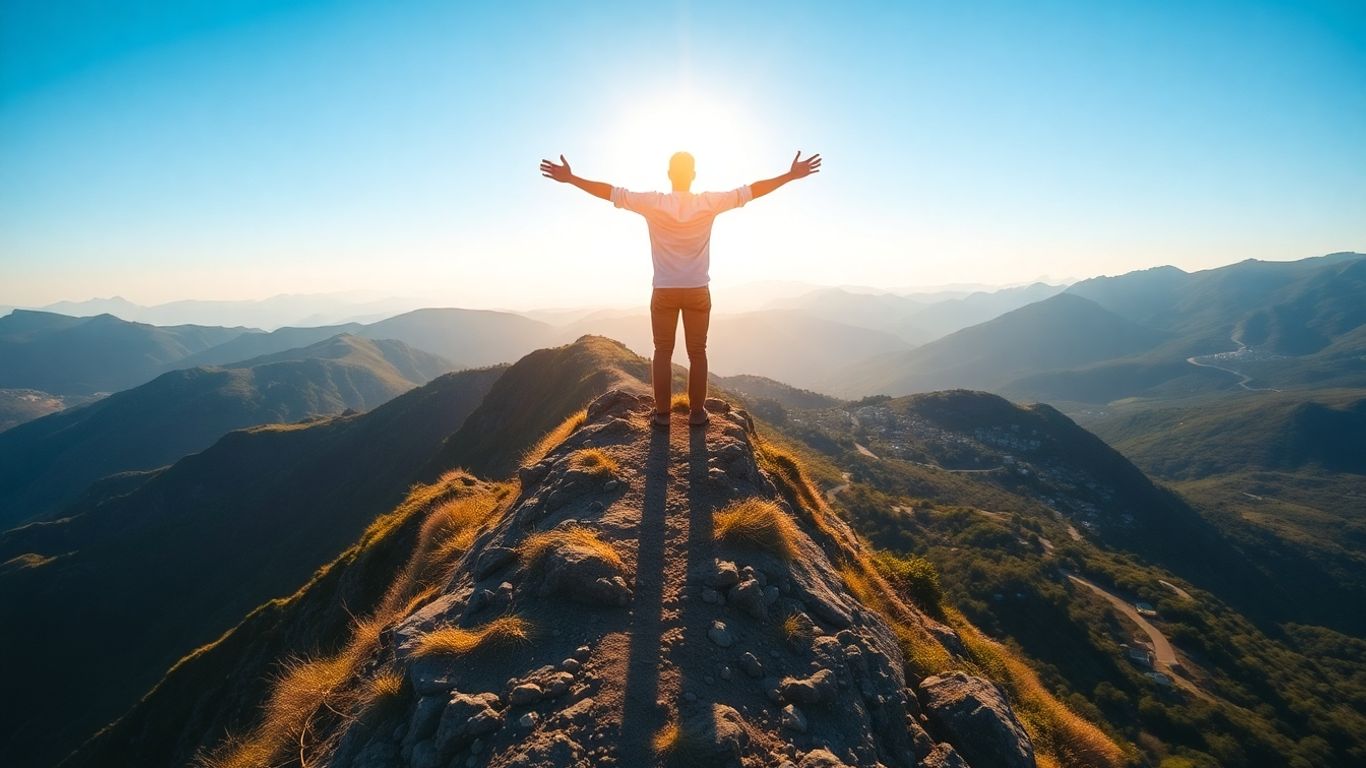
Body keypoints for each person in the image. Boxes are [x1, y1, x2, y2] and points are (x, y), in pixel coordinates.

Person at [540, 149, 821, 428]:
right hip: (698, 289)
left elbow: (611, 192)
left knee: (662, 351)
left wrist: (572, 178)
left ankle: (662, 415)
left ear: (669, 174)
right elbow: (751, 191)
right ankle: (697, 414)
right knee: (698, 352)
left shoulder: (652, 203)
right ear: (694, 175)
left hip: (664, 289)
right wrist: (789, 175)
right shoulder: (709, 202)